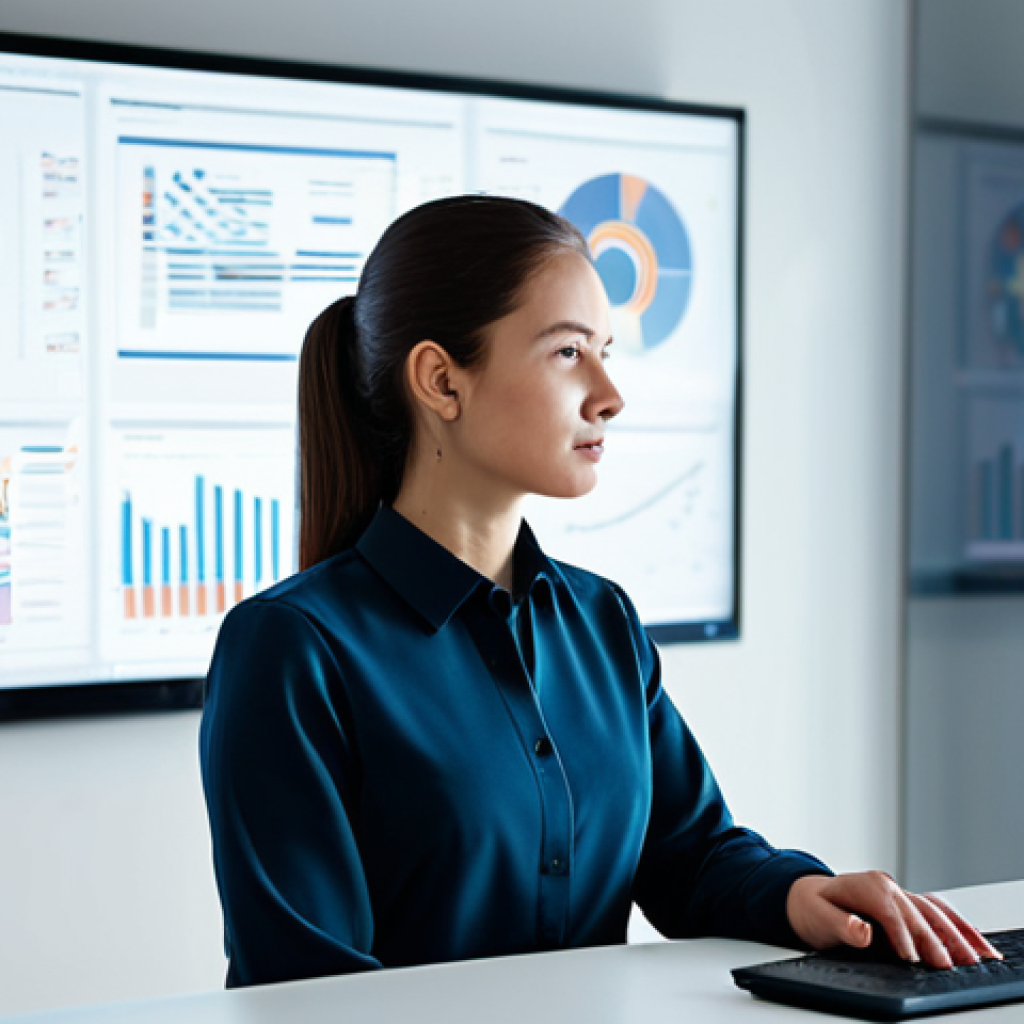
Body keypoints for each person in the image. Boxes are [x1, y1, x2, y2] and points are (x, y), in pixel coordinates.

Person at [200, 195, 998, 989]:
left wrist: (801, 896)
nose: (609, 393)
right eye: (567, 352)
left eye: (605, 351)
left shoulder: (600, 619)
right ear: (442, 381)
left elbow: (691, 856)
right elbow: (309, 987)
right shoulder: (291, 648)